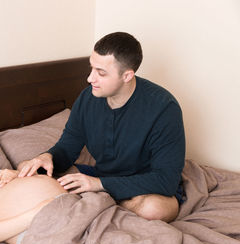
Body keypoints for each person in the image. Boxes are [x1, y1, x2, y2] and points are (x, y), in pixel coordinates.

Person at [18, 32, 186, 223]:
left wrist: (99, 184)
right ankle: (104, 205)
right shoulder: (87, 98)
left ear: (127, 75)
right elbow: (66, 149)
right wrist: (46, 157)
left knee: (154, 209)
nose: (90, 79)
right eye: (91, 69)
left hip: (144, 185)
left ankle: (100, 205)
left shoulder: (163, 108)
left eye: (101, 73)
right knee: (27, 168)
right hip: (102, 177)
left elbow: (165, 180)